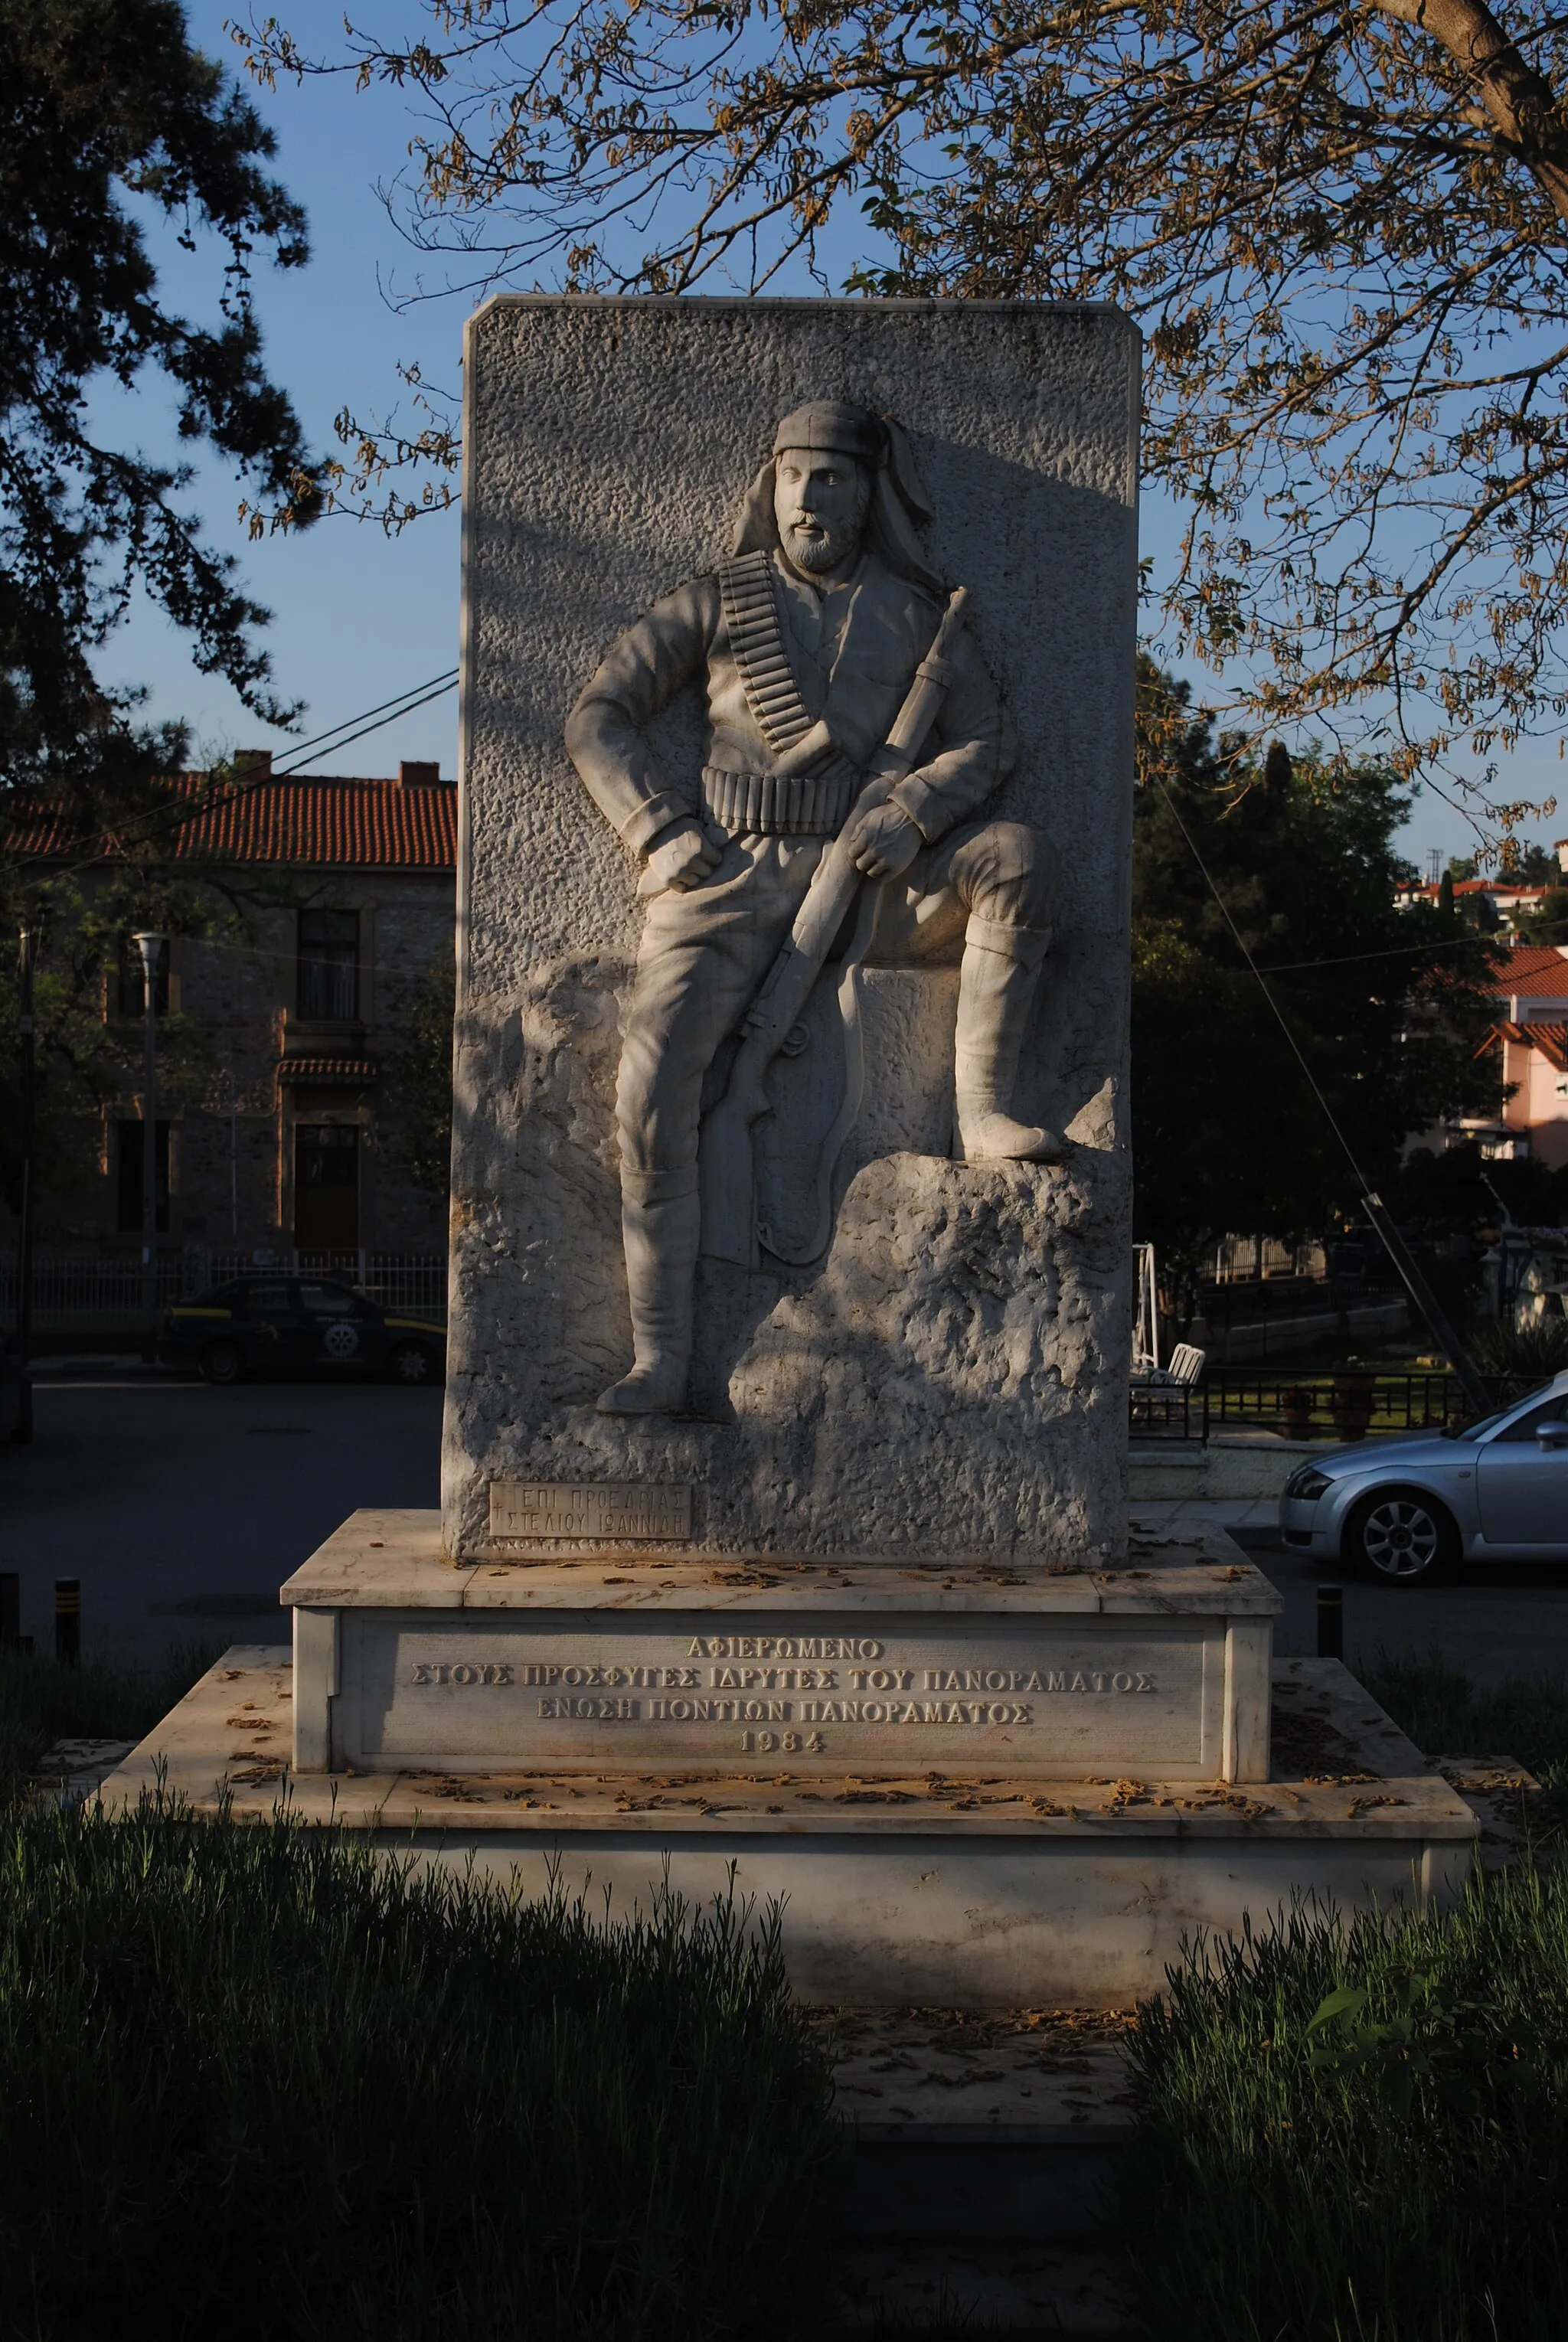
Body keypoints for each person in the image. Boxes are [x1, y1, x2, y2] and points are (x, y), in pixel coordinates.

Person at [566, 399, 1060, 1416]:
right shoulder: (716, 600)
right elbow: (598, 716)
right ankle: (662, 1358)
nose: (810, 497)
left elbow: (992, 743)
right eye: (795, 475)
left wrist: (915, 810)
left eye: (833, 476)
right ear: (770, 485)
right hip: (728, 883)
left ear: (869, 491)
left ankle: (981, 1115)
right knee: (651, 1098)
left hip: (865, 875)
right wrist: (659, 832)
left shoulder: (918, 615)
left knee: (1015, 858)